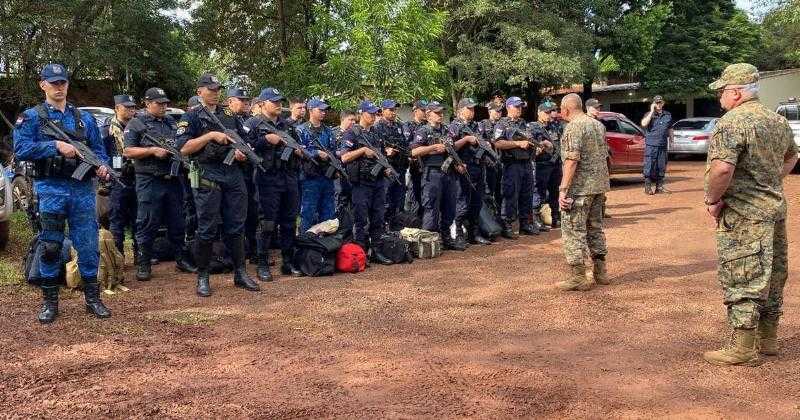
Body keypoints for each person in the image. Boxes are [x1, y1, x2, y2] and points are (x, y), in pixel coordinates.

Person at [702, 63, 798, 366]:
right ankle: (767, 340)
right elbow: (793, 156)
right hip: (773, 210)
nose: (719, 97)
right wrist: (769, 182)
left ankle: (742, 347)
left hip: (744, 213)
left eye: (722, 91)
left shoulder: (731, 123)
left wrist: (712, 199)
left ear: (736, 92)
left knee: (742, 273)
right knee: (772, 272)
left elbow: (722, 168)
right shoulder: (777, 121)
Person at [13, 63, 112, 323]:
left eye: (63, 82)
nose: (59, 87)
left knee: (89, 246)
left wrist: (102, 167)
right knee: (50, 246)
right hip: (50, 189)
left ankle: (93, 299)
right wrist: (55, 145)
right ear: (42, 84)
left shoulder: (84, 118)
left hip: (81, 190)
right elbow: (21, 149)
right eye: (53, 83)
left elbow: (99, 151)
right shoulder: (32, 117)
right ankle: (50, 303)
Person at [177, 73, 260, 296]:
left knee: (236, 225)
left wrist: (242, 153)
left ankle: (240, 273)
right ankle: (203, 276)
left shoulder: (229, 114)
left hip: (232, 173)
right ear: (199, 92)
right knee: (207, 227)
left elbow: (244, 140)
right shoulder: (191, 116)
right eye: (210, 89)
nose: (215, 93)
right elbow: (183, 148)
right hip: (207, 173)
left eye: (217, 89)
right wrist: (210, 136)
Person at [123, 87, 196, 281]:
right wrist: (152, 150)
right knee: (147, 221)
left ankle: (181, 258)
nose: (164, 107)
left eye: (165, 103)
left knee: (177, 221)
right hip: (149, 180)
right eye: (159, 103)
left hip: (173, 180)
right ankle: (144, 262)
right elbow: (128, 151)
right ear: (147, 103)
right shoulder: (137, 123)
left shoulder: (172, 122)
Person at [244, 87, 305, 281]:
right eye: (274, 102)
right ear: (262, 104)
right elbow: (244, 148)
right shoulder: (252, 124)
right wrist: (265, 140)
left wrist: (299, 152)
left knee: (289, 221)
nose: (279, 105)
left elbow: (299, 148)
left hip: (289, 177)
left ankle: (287, 262)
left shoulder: (287, 126)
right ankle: (262, 263)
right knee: (267, 222)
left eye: (280, 102)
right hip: (267, 178)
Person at [555, 93, 610, 292]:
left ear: (566, 109)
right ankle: (600, 273)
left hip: (579, 189)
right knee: (595, 228)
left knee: (573, 230)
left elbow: (571, 160)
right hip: (598, 186)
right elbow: (604, 155)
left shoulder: (574, 127)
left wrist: (563, 189)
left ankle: (579, 277)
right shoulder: (597, 125)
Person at [339, 100, 393, 263]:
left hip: (377, 181)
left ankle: (376, 250)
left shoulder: (376, 133)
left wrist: (386, 168)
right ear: (361, 113)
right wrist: (362, 150)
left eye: (376, 113)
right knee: (361, 218)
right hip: (361, 183)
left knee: (378, 216)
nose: (374, 116)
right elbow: (344, 157)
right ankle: (361, 252)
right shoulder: (352, 133)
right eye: (371, 113)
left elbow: (381, 155)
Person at [411, 101, 466, 251]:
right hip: (432, 174)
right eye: (437, 113)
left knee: (450, 207)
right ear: (428, 115)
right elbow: (414, 152)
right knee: (431, 207)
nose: (441, 115)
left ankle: (446, 237)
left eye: (442, 113)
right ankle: (428, 241)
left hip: (449, 173)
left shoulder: (447, 130)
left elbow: (452, 151)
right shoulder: (423, 131)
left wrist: (458, 165)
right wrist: (433, 147)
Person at [493, 96, 539, 238]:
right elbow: (498, 143)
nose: (519, 109)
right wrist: (517, 144)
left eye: (520, 107)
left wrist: (535, 146)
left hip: (526, 163)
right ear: (508, 107)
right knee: (510, 195)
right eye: (516, 106)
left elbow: (530, 139)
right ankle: (507, 225)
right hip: (511, 164)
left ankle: (525, 224)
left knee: (527, 194)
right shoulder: (502, 124)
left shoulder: (523, 124)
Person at [449, 98, 491, 245]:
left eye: (473, 109)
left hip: (479, 167)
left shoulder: (478, 126)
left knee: (477, 202)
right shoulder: (454, 126)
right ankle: (459, 233)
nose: (472, 111)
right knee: (462, 202)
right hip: (463, 168)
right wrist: (466, 139)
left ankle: (474, 233)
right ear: (460, 110)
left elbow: (486, 141)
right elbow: (450, 147)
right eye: (469, 108)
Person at [101, 94, 138, 258]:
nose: (131, 110)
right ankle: (118, 257)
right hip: (117, 179)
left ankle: (140, 255)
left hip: (137, 177)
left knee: (139, 218)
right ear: (117, 108)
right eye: (127, 107)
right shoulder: (107, 130)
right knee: (117, 220)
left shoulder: (137, 127)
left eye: (133, 107)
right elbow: (101, 154)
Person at [225, 88, 258, 261]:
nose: (245, 103)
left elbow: (250, 141)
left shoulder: (246, 121)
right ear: (230, 101)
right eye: (241, 100)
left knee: (251, 212)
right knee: (231, 214)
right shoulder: (224, 120)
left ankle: (251, 249)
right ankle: (229, 252)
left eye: (246, 100)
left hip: (246, 174)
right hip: (226, 173)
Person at [297, 97, 336, 231]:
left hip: (327, 176)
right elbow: (299, 151)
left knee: (328, 213)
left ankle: (325, 245)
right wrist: (316, 153)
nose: (324, 112)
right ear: (311, 110)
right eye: (320, 110)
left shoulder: (328, 131)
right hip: (310, 178)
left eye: (325, 110)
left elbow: (334, 151)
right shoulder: (301, 130)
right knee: (308, 213)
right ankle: (304, 242)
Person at [374, 99, 409, 229]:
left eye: (395, 110)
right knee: (385, 201)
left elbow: (405, 146)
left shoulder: (399, 126)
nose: (394, 112)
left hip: (400, 168)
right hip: (386, 170)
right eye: (391, 110)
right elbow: (375, 148)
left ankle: (396, 229)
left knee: (398, 201)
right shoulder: (377, 127)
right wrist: (386, 151)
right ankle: (383, 229)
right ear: (383, 111)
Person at [532, 101, 563, 228]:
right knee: (539, 192)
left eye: (551, 112)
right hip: (542, 164)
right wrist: (542, 144)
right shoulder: (533, 127)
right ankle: (536, 217)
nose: (549, 114)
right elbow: (531, 147)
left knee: (555, 191)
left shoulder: (555, 126)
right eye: (546, 112)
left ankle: (555, 216)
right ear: (539, 113)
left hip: (555, 164)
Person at [640, 95, 672, 194]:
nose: (658, 104)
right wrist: (651, 111)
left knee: (661, 165)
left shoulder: (667, 115)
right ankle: (648, 187)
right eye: (656, 103)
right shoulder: (648, 114)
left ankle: (659, 187)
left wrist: (672, 140)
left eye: (660, 102)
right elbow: (644, 124)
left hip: (662, 144)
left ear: (663, 103)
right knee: (649, 165)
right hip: (651, 145)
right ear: (653, 103)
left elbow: (670, 128)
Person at [403, 100, 428, 217]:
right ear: (415, 111)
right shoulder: (408, 126)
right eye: (423, 110)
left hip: (428, 167)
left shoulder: (428, 126)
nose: (425, 112)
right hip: (415, 166)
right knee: (416, 196)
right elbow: (406, 146)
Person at [479, 101, 504, 209]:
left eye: (500, 111)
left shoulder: (504, 124)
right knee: (489, 191)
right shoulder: (483, 124)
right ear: (490, 111)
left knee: (501, 190)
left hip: (502, 161)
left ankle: (500, 213)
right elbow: (478, 141)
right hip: (489, 162)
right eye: (497, 111)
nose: (499, 113)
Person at [333, 110, 357, 212]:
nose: (353, 122)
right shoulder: (333, 133)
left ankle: (348, 225)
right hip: (338, 171)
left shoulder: (355, 134)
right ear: (342, 119)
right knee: (339, 199)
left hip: (352, 171)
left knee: (352, 201)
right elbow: (330, 151)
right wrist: (341, 153)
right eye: (350, 120)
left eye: (355, 120)